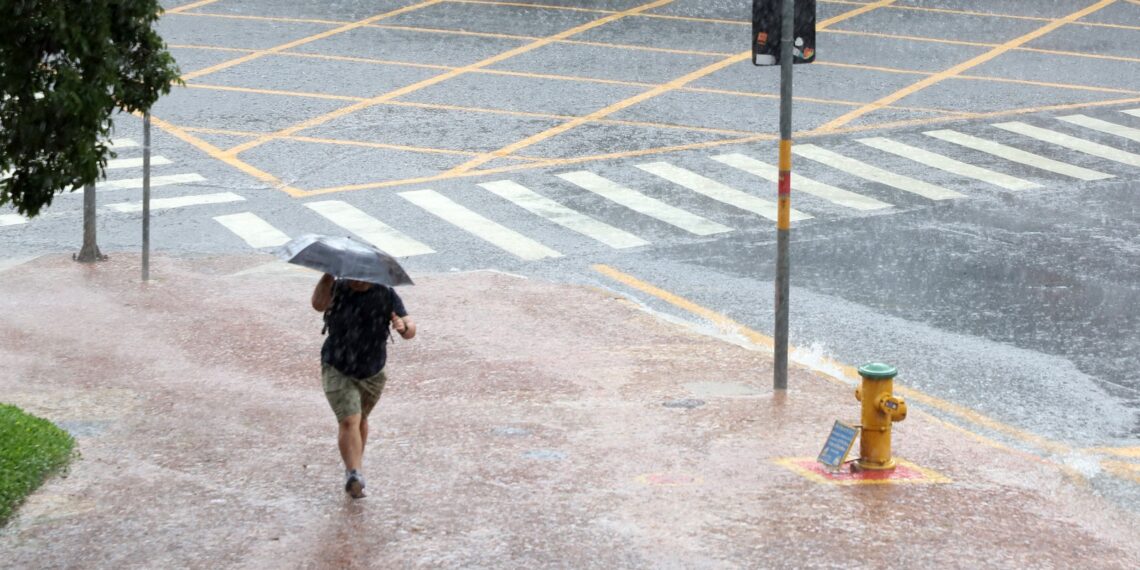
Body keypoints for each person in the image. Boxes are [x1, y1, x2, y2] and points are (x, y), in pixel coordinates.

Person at [311, 273, 415, 499]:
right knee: (349, 418)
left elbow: (410, 329)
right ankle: (354, 473)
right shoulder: (337, 287)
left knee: (361, 419)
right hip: (337, 366)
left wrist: (402, 327)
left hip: (373, 370)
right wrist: (327, 275)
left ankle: (355, 467)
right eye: (354, 277)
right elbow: (318, 305)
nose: (359, 282)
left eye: (364, 278)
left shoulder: (385, 293)